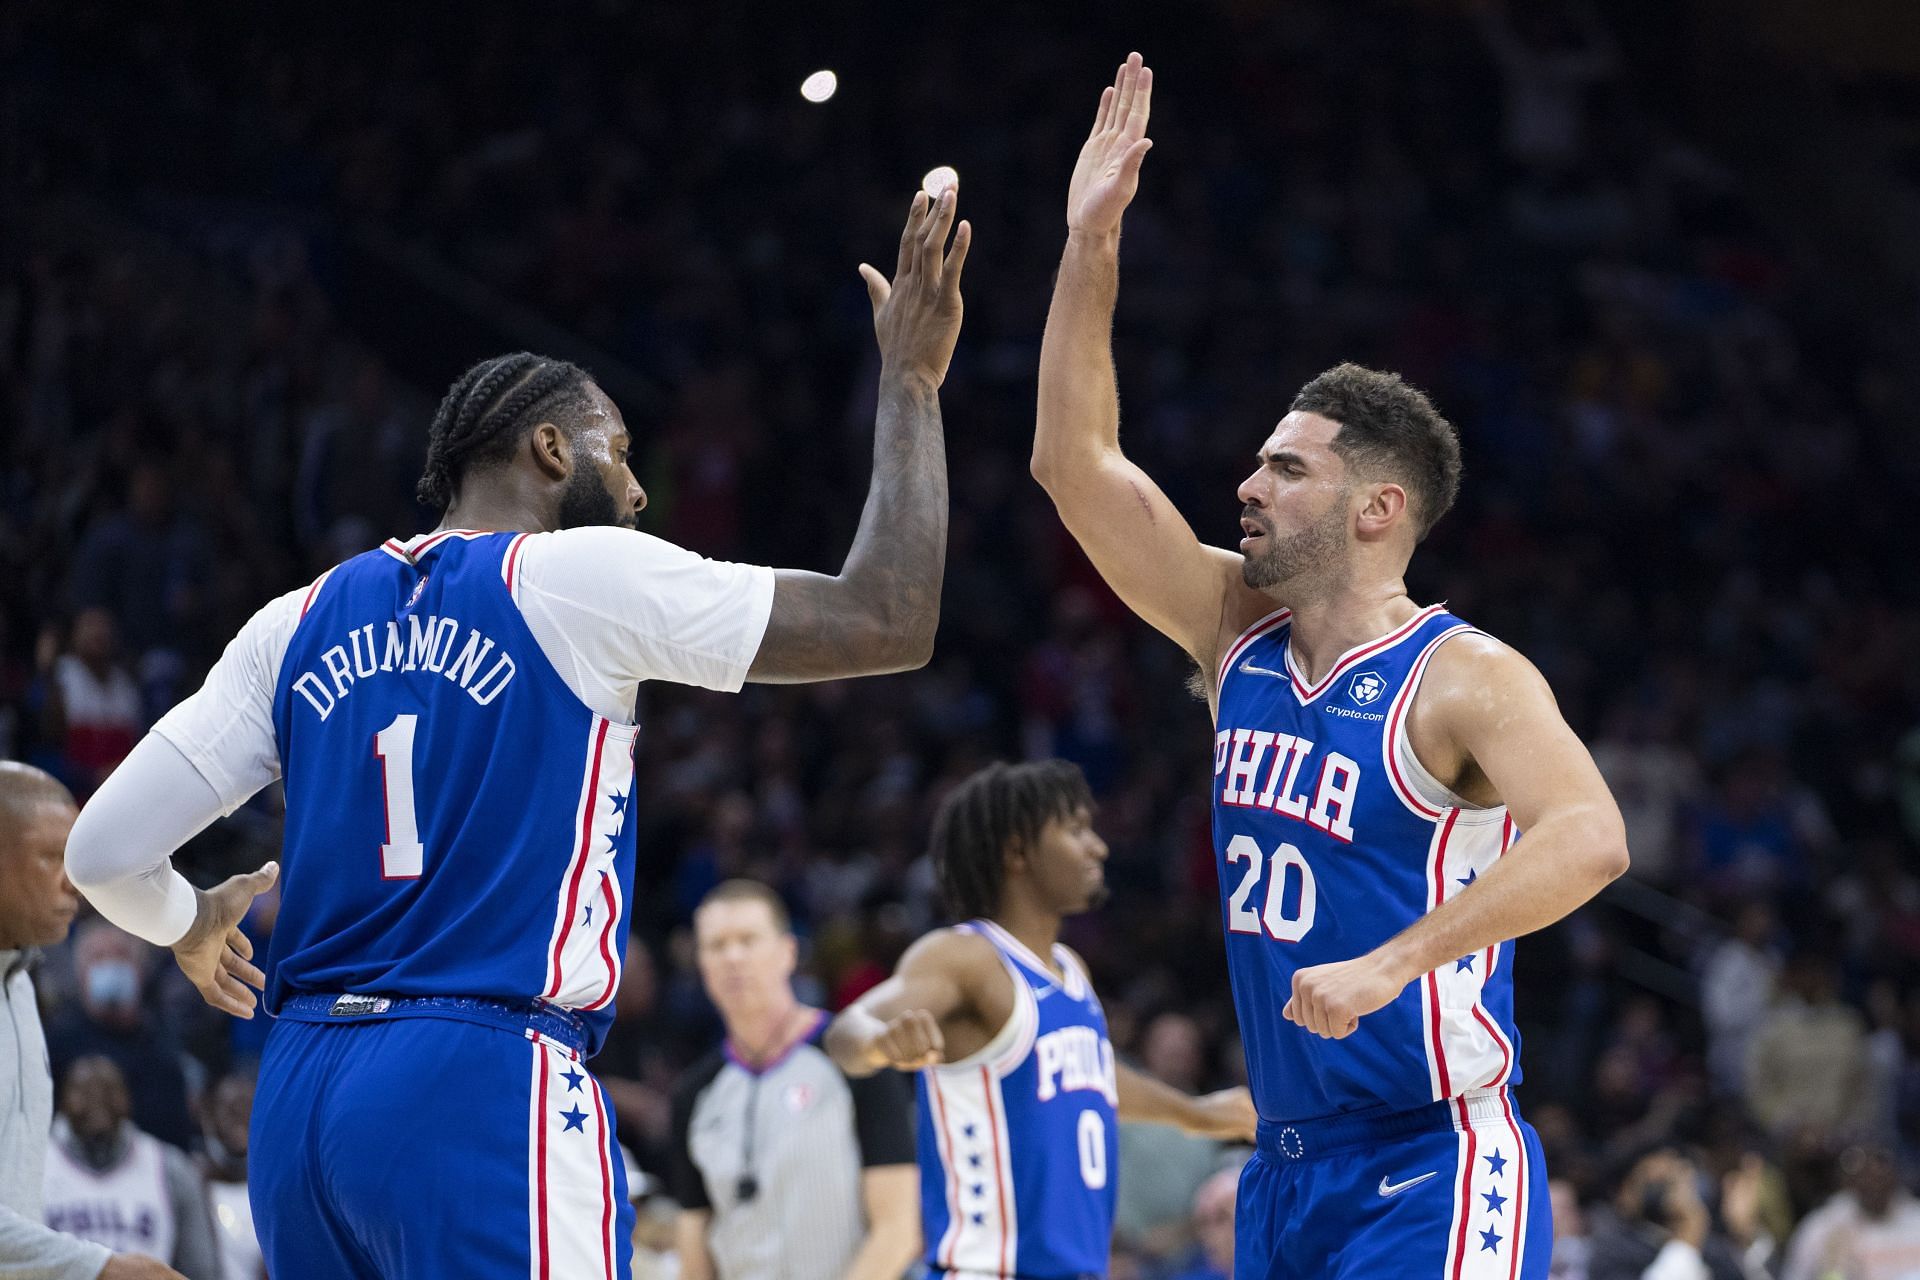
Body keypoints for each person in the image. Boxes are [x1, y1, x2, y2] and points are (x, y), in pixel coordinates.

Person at [62, 186, 972, 1280]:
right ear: (550, 448)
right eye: (619, 450)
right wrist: (913, 380)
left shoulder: (293, 618)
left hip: (300, 1101)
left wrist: (186, 918)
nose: (637, 489)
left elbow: (99, 853)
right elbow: (889, 616)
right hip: (478, 1077)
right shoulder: (577, 574)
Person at [1030, 54, 1629, 1278]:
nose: (1247, 486)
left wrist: (1396, 959)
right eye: (1259, 462)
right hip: (1284, 1167)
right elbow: (1073, 465)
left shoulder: (1466, 675)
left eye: (1288, 468)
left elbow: (1591, 837)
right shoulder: (1230, 627)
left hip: (1433, 1155)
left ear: (1378, 507)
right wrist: (1090, 243)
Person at [826, 759, 1256, 1280]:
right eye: (1075, 829)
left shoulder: (1069, 970)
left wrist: (1198, 1114)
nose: (1097, 846)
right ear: (1016, 851)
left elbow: (1095, 1076)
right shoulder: (967, 958)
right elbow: (847, 1030)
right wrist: (881, 1044)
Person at [668, 880, 918, 1280]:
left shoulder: (855, 1059)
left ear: (788, 952)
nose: (733, 956)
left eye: (748, 940)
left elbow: (899, 1231)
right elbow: (695, 1262)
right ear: (702, 964)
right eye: (716, 945)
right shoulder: (694, 1095)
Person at [0, 761, 181, 1280]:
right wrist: (101, 1267)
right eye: (49, 858)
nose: (72, 883)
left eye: (73, 859)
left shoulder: (19, 983)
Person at [41, 1057, 221, 1279]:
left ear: (128, 1097)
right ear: (62, 1099)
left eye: (108, 1091)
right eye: (84, 1092)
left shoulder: (170, 1167)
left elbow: (202, 1270)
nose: (97, 1101)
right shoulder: (35, 1163)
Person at [1781, 1144, 1920, 1280]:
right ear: (1851, 1183)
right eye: (1866, 1178)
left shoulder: (1915, 1218)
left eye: (1879, 1177)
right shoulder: (1823, 1226)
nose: (1874, 1185)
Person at [194, 1075, 264, 1280]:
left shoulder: (279, 1190)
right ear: (210, 1117)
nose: (238, 1117)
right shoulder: (193, 1183)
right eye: (229, 1111)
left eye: (246, 1108)